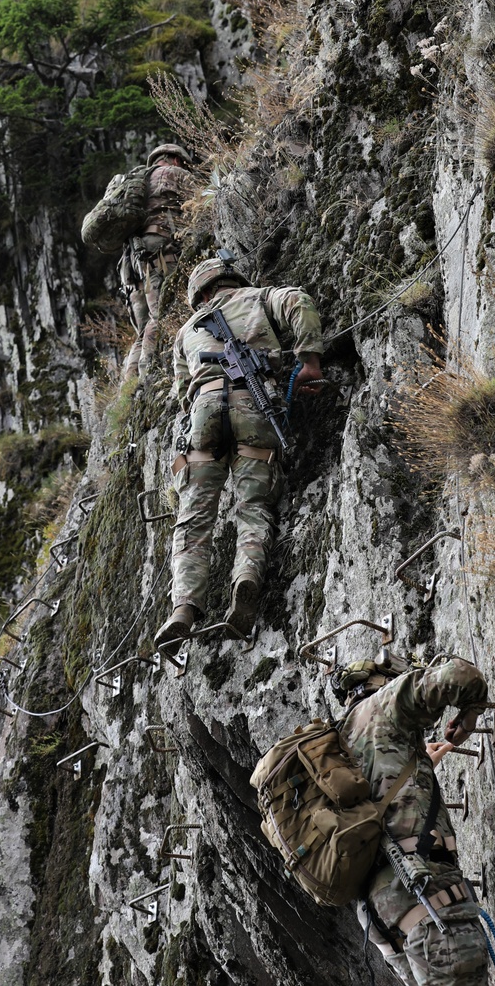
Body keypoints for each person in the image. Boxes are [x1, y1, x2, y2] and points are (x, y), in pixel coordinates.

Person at [154, 253, 324, 649]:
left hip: (203, 416)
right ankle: (246, 576)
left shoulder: (186, 332)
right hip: (254, 405)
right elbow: (299, 300)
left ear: (201, 292)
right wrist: (309, 361)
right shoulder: (260, 297)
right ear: (233, 279)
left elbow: (183, 393)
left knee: (193, 519)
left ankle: (183, 607)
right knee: (253, 507)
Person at [333, 655, 490, 986]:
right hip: (428, 896)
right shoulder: (387, 701)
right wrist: (469, 715)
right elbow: (460, 676)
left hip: (382, 919)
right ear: (388, 679)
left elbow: (380, 801)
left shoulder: (337, 743)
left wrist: (421, 762)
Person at [121, 144, 195, 383]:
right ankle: (147, 380)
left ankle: (129, 389)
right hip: (158, 253)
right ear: (175, 160)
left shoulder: (136, 181)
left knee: (143, 331)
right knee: (160, 315)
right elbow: (203, 202)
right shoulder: (175, 174)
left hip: (131, 264)